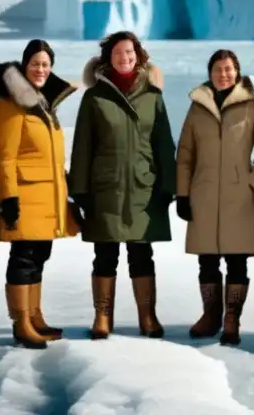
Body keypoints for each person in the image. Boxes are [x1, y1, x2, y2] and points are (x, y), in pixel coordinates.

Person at [68, 30, 176, 340]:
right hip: (106, 189)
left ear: (138, 56)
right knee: (105, 255)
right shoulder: (95, 97)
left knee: (142, 254)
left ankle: (148, 316)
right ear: (108, 59)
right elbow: (82, 148)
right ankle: (102, 317)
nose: (124, 58)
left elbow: (164, 145)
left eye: (129, 53)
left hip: (144, 187)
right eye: (117, 53)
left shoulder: (153, 97)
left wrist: (169, 186)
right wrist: (80, 192)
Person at [176, 49, 254, 346]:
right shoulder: (197, 109)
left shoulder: (252, 108)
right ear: (210, 73)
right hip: (203, 194)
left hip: (239, 196)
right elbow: (184, 155)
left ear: (238, 72)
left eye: (229, 69)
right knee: (207, 261)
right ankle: (210, 315)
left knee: (237, 262)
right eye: (218, 69)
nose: (224, 74)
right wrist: (182, 193)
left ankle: (232, 318)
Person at [0, 39, 81, 350]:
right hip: (25, 196)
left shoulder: (43, 104)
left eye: (46, 64)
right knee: (23, 258)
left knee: (39, 255)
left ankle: (35, 317)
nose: (41, 69)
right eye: (35, 64)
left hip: (48, 195)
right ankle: (21, 323)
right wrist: (7, 197)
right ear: (24, 66)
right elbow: (4, 157)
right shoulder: (9, 104)